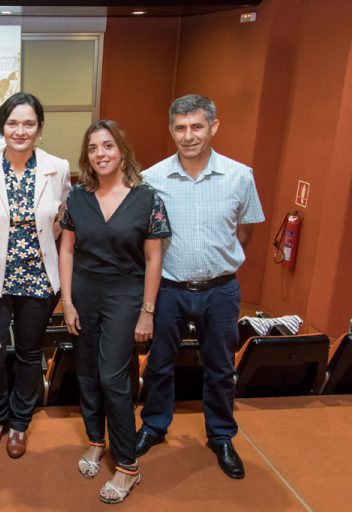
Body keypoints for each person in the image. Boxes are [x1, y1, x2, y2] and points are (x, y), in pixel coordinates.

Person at [137, 94, 265, 480]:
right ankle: (155, 426)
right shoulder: (152, 179)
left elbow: (245, 232)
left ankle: (221, 436)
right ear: (171, 130)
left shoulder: (240, 175)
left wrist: (217, 263)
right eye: (180, 127)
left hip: (221, 291)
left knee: (221, 368)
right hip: (170, 290)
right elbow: (148, 242)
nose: (188, 135)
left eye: (197, 126)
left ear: (213, 127)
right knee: (158, 365)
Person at [59, 120, 170, 504]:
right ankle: (95, 440)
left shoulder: (148, 198)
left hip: (126, 294)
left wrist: (147, 311)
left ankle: (127, 465)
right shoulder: (77, 196)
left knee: (112, 377)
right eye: (93, 148)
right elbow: (67, 250)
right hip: (84, 293)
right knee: (87, 373)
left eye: (107, 146)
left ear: (122, 150)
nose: (100, 154)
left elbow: (154, 258)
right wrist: (68, 301)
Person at [0, 92, 71, 458]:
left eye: (29, 123)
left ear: (39, 128)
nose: (20, 130)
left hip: (40, 280)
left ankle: (19, 424)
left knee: (29, 354)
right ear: (1, 127)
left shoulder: (58, 167)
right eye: (13, 123)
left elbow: (62, 218)